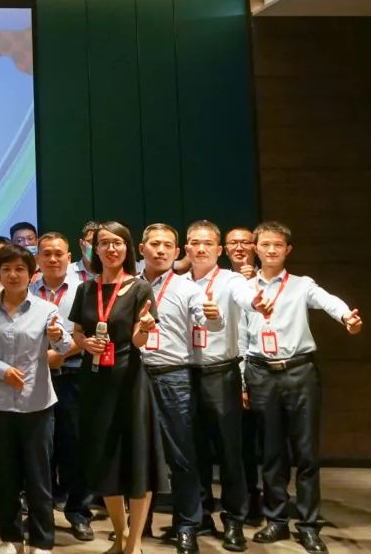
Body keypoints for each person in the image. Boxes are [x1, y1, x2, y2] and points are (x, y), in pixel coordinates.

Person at [243, 221, 361, 554]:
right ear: (255, 248)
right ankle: (276, 520)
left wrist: (346, 317)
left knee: (306, 453)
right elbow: (240, 337)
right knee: (271, 452)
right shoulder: (244, 289)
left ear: (288, 250)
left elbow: (329, 301)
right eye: (265, 244)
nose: (271, 250)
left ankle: (309, 525)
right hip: (260, 372)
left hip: (299, 371)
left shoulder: (301, 284)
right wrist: (242, 379)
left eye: (278, 245)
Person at [0, 244, 72, 554]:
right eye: (6, 269)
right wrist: (1, 370)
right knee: (4, 476)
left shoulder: (46, 309)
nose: (13, 275)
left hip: (36, 404)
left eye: (19, 269)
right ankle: (11, 539)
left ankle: (42, 542)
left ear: (31, 274)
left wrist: (58, 338)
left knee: (39, 478)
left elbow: (65, 347)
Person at [68, 220, 157, 554]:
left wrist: (145, 327)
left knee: (136, 460)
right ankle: (120, 536)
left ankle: (133, 544)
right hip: (95, 383)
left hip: (129, 383)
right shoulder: (85, 289)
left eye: (117, 242)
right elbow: (78, 331)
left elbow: (138, 340)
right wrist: (85, 343)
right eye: (103, 243)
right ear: (94, 249)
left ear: (127, 248)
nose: (110, 248)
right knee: (103, 459)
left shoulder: (140, 288)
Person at [138, 223, 224, 554]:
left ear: (177, 252)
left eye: (167, 246)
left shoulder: (188, 289)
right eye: (154, 244)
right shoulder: (129, 285)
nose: (160, 250)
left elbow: (209, 320)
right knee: (138, 453)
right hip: (134, 377)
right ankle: (139, 523)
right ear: (142, 249)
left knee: (181, 455)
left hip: (173, 376)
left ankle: (187, 525)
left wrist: (214, 317)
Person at [183, 220, 260, 551]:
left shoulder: (231, 281)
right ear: (186, 248)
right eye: (195, 242)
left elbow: (247, 297)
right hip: (185, 374)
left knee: (230, 452)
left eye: (208, 243)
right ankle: (200, 516)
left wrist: (257, 302)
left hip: (221, 373)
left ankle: (234, 521)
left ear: (219, 249)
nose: (201, 248)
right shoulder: (177, 283)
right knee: (193, 451)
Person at [28, 233, 93, 542]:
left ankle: (79, 513)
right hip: (36, 378)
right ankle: (41, 514)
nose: (52, 259)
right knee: (40, 449)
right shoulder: (26, 290)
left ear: (69, 257)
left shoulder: (84, 289)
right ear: (37, 258)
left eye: (58, 254)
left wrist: (61, 354)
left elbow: (91, 332)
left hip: (74, 376)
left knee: (76, 447)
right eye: (46, 254)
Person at [224, 226, 263, 525]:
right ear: (224, 249)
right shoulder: (221, 281)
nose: (239, 248)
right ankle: (240, 502)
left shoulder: (268, 281)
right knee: (234, 442)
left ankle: (258, 501)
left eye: (245, 242)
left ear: (255, 247)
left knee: (257, 442)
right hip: (229, 368)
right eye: (233, 243)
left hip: (261, 368)